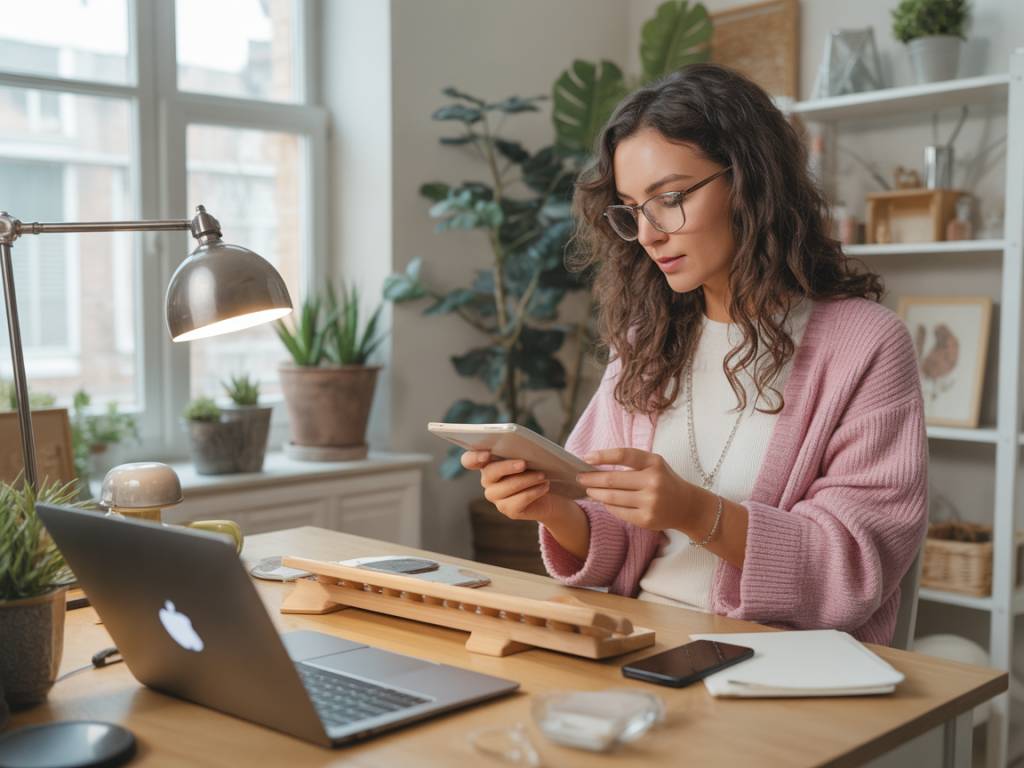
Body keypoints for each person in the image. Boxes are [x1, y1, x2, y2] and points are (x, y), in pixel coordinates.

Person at [461, 64, 927, 645]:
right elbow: (612, 538)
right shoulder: (644, 342)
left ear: (750, 182)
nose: (650, 233)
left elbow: (855, 565)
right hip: (642, 643)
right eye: (633, 209)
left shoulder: (867, 345)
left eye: (671, 198)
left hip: (780, 666)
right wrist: (552, 507)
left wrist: (693, 512)